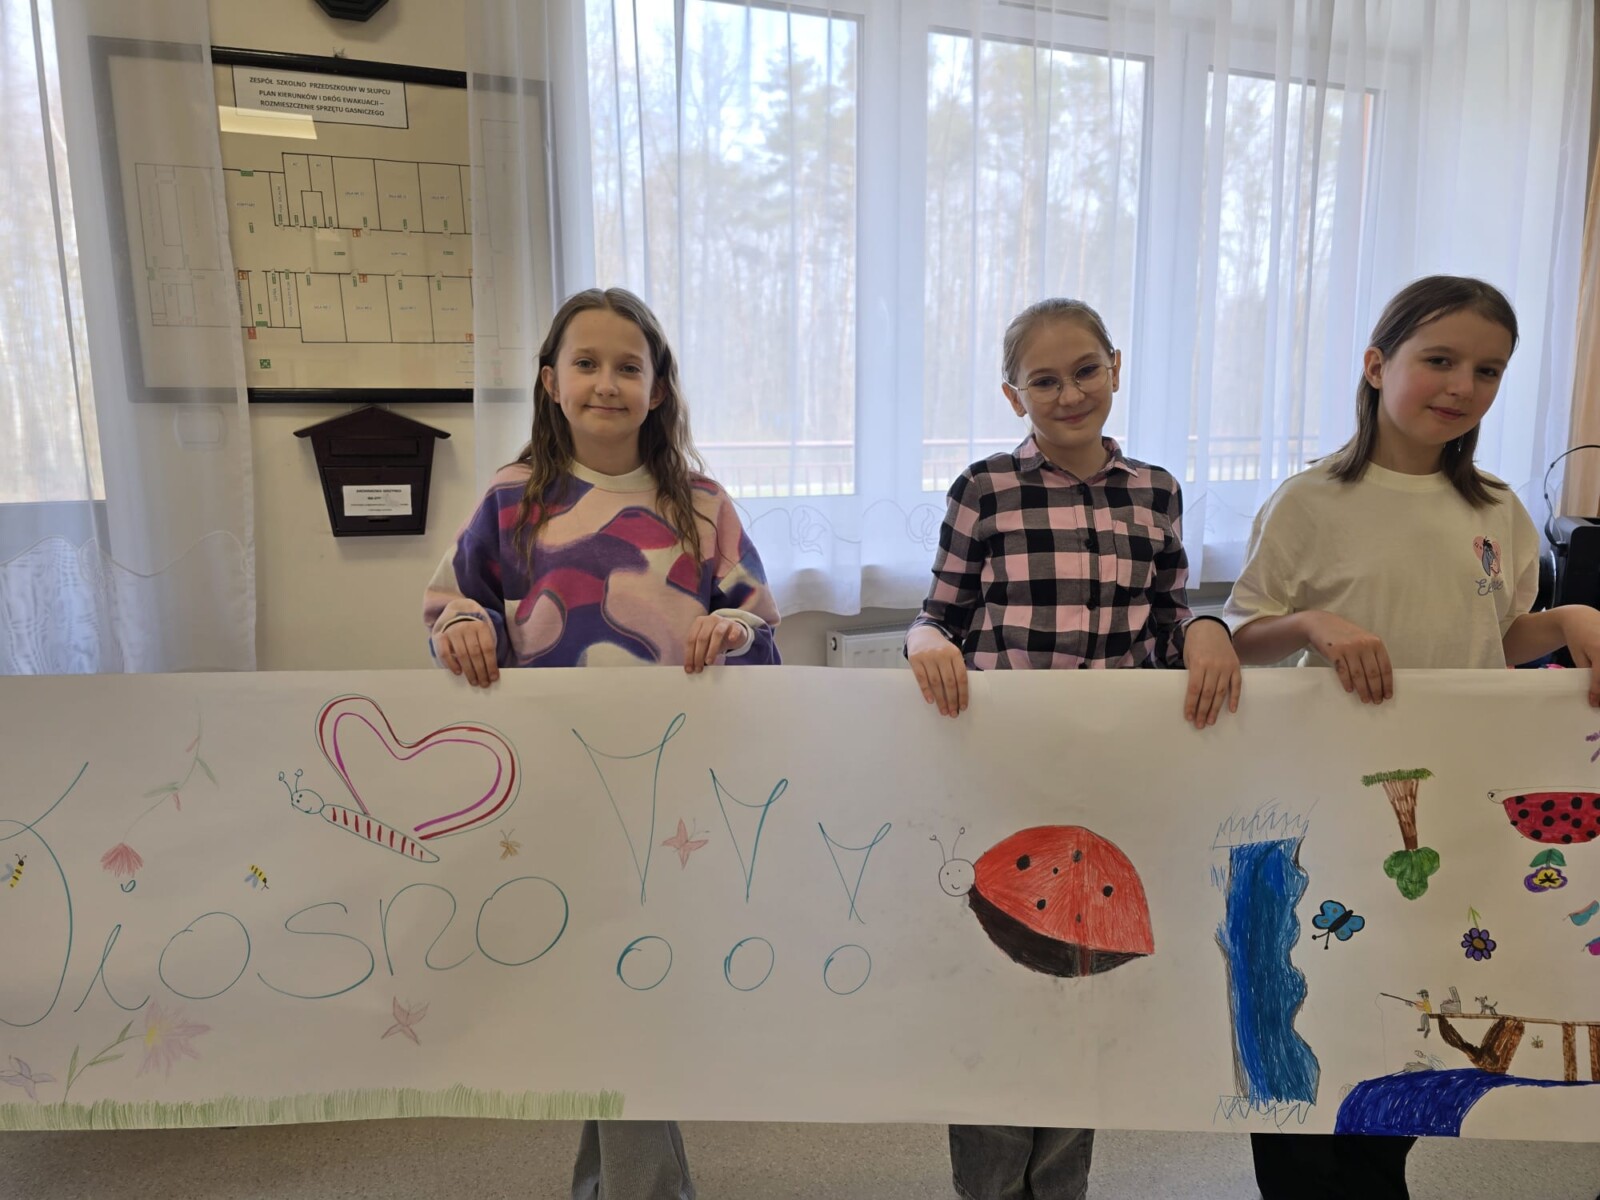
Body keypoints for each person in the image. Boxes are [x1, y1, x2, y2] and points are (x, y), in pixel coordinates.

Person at [1224, 274, 1600, 1200]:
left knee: (1409, 1029)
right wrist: (1313, 624)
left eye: (1489, 371)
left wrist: (1564, 622)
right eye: (1439, 359)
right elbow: (1240, 637)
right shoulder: (1310, 501)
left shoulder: (1499, 509)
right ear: (1375, 364)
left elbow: (1496, 640)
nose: (1462, 386)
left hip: (1448, 821)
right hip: (1326, 813)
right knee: (1312, 1026)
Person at [424, 286, 780, 1200]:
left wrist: (733, 631)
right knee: (604, 994)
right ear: (551, 381)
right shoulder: (512, 499)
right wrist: (460, 626)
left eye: (629, 367)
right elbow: (454, 607)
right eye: (586, 364)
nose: (607, 384)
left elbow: (759, 628)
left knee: (637, 994)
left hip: (674, 795)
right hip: (554, 791)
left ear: (658, 389)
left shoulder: (702, 504)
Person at [905, 296, 1240, 1200]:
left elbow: (1170, 618)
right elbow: (939, 614)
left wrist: (1207, 627)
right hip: (1002, 775)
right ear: (1013, 396)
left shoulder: (1156, 490)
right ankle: (987, 1186)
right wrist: (924, 642)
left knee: (1084, 996)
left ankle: (1060, 1185)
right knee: (996, 990)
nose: (1070, 393)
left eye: (1086, 370)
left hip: (1112, 783)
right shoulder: (984, 488)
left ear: (1116, 367)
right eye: (1043, 381)